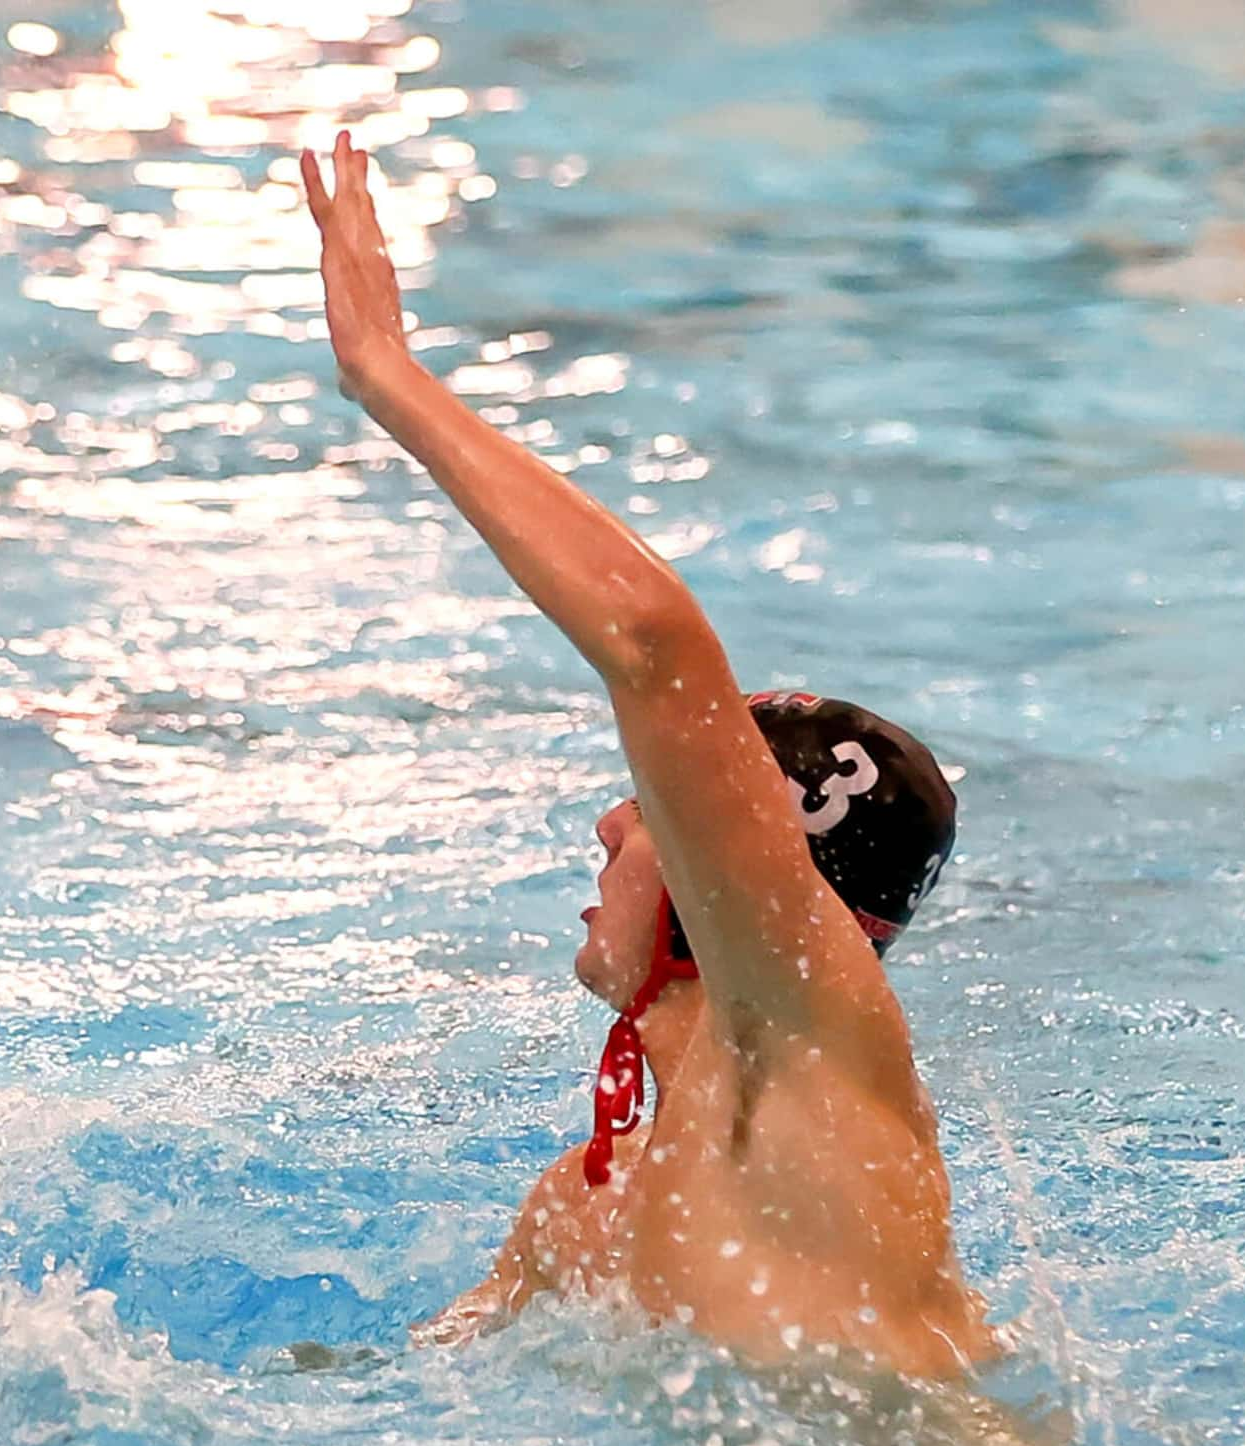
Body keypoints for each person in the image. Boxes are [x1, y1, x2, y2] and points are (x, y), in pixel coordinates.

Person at [295, 135, 992, 1379]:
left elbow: (657, 645)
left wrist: (388, 373)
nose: (612, 825)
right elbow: (378, 1399)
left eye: (659, 806)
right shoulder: (585, 1211)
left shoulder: (806, 1041)